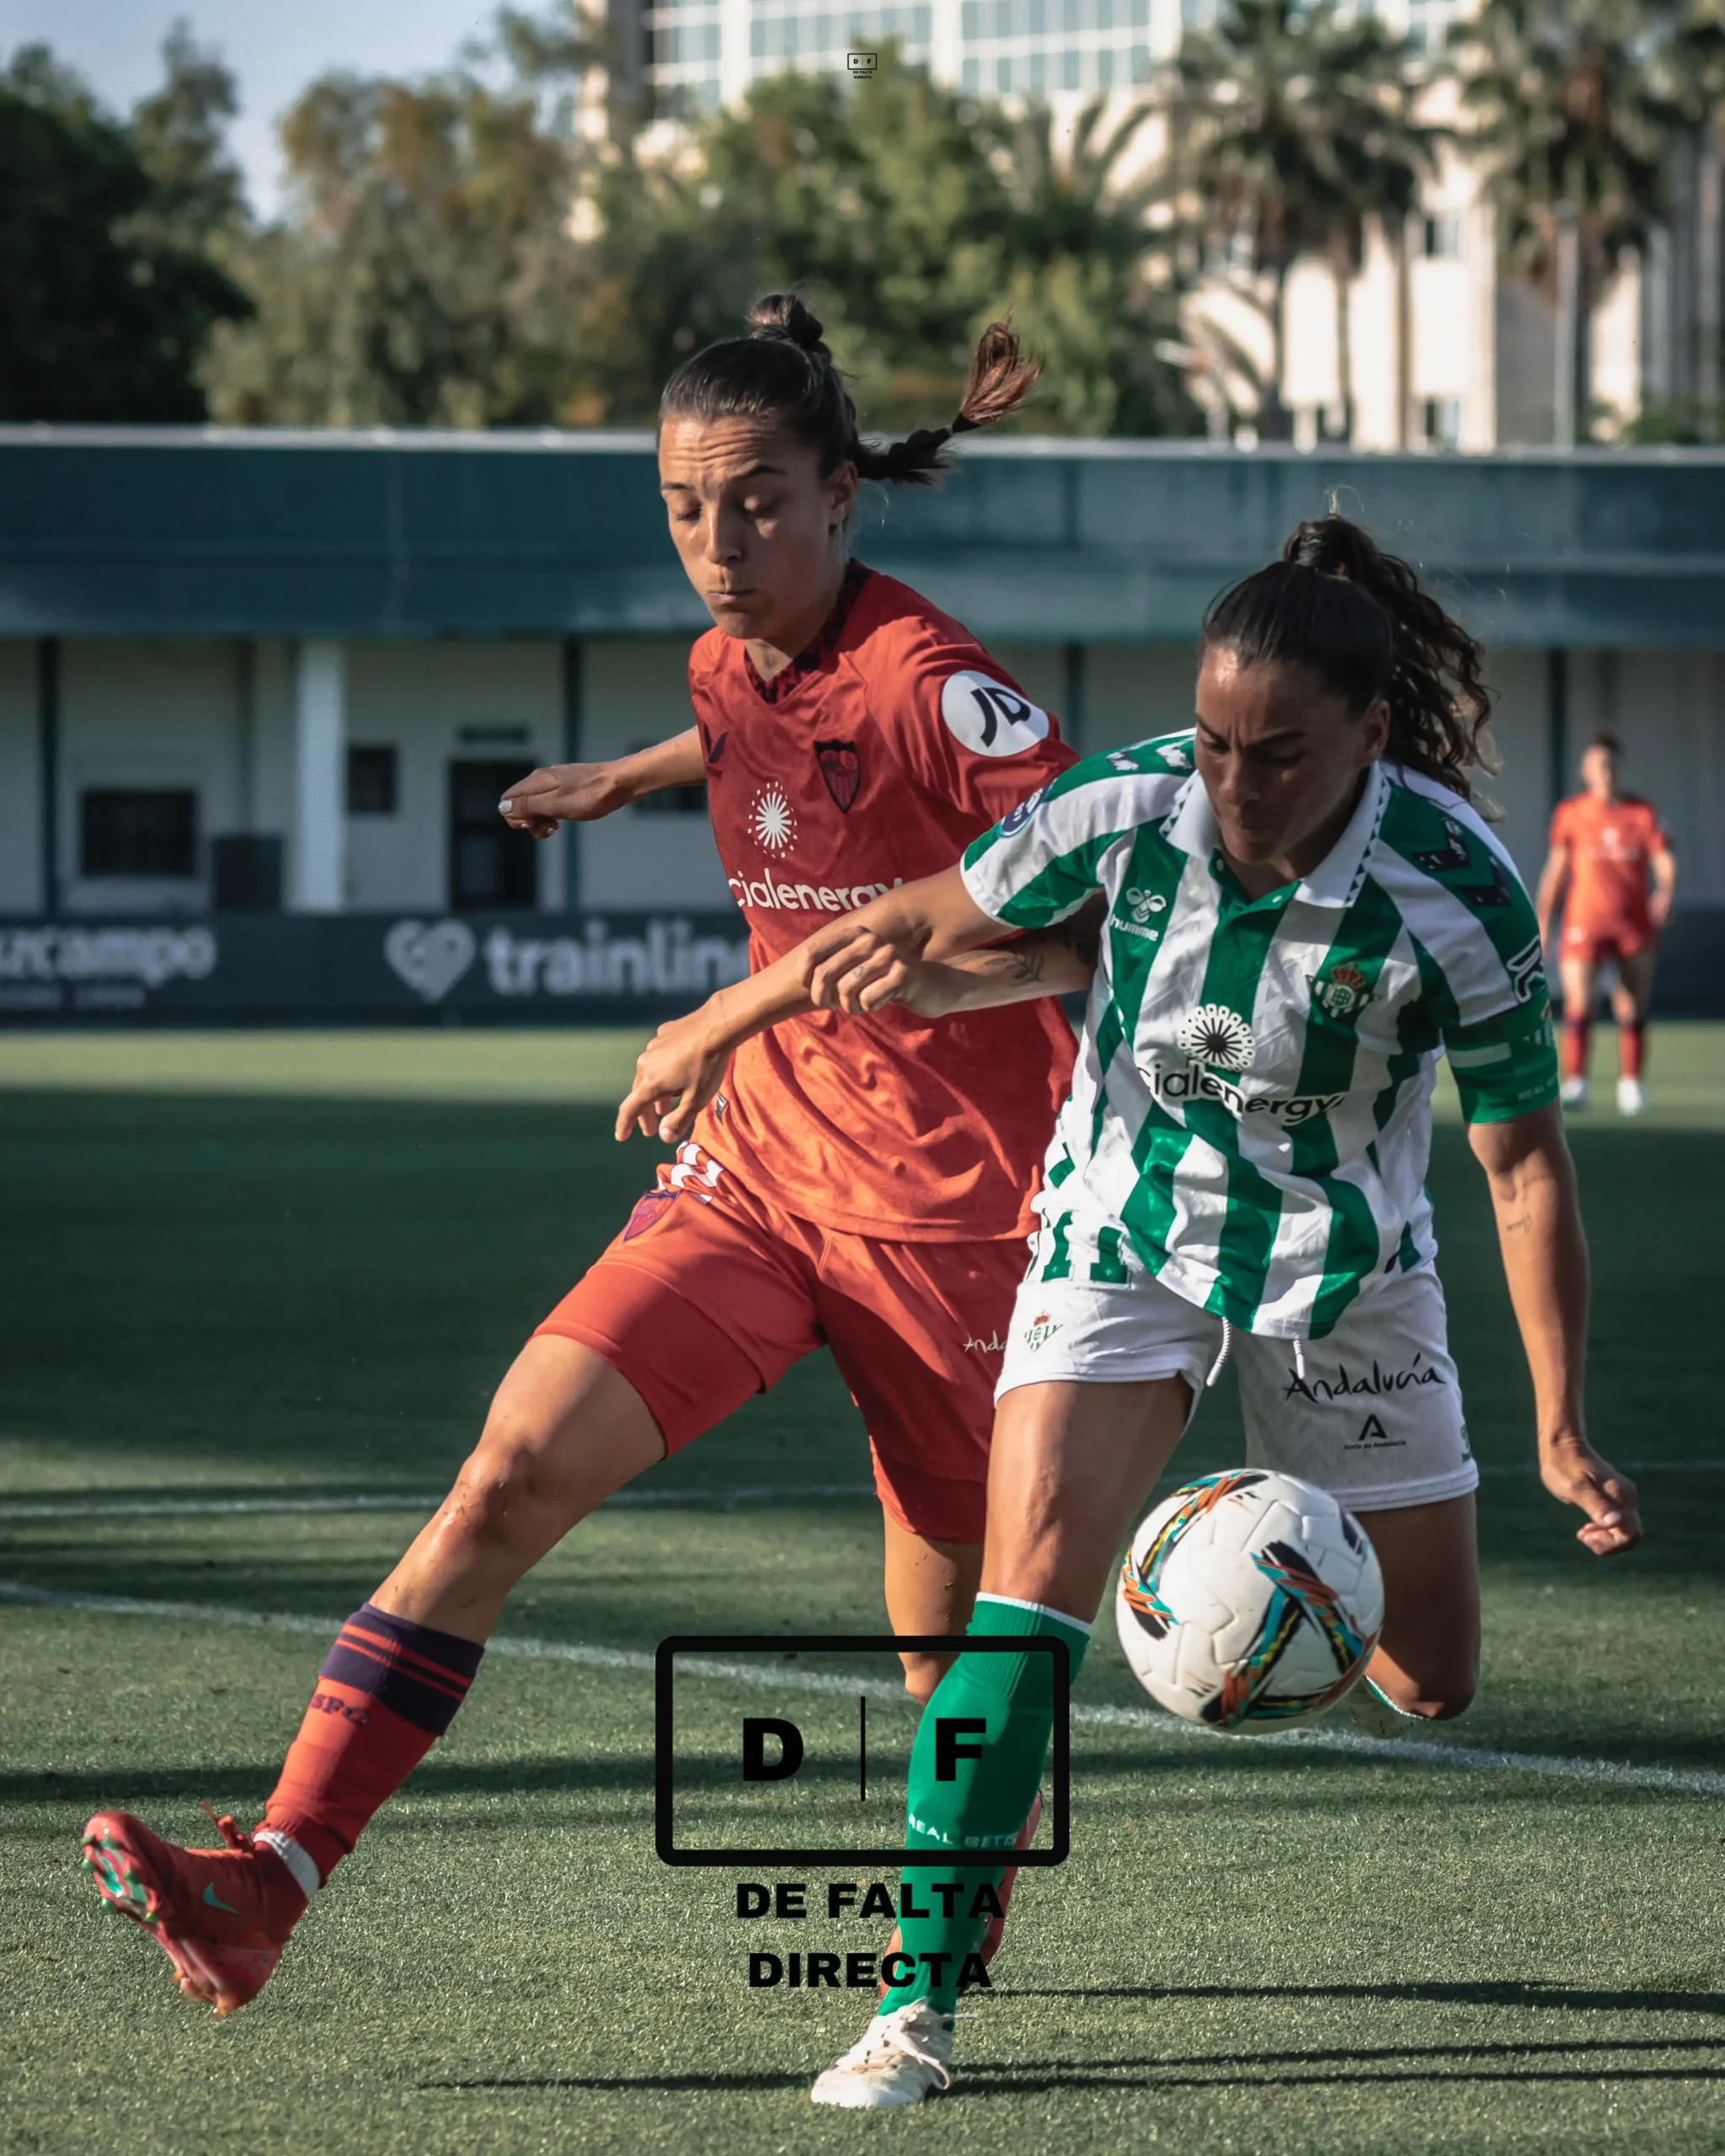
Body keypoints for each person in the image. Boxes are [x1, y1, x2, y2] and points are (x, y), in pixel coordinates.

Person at [79, 296, 1086, 2016]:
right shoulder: (721, 652)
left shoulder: (946, 686)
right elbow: (766, 726)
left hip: (961, 1222)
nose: (719, 542)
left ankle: (953, 1889)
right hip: (762, 1179)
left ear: (845, 493)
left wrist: (805, 983)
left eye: (759, 500)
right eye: (686, 505)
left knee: (948, 1661)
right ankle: (268, 1880)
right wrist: (630, 776)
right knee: (506, 1472)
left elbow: (1101, 906)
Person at [617, 515, 1643, 2107]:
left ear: (1369, 739)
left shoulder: (1459, 893)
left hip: (1348, 1275)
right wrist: (720, 1021)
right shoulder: (1128, 799)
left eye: (1280, 755)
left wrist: (1560, 1424)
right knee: (1021, 1602)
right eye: (1217, 741)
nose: (1234, 784)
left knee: (1433, 1680)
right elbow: (906, 927)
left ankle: (1276, 1562)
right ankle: (910, 2009)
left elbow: (1519, 1174)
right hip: (1122, 1235)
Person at [1535, 731, 1676, 1116]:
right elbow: (1556, 872)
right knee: (1580, 1001)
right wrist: (1543, 922)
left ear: (1619, 768)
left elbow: (1663, 858)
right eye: (1598, 765)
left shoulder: (1641, 813)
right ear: (1585, 769)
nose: (1605, 772)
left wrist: (1666, 888)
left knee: (1632, 1003)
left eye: (1610, 765)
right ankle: (1576, 1081)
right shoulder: (1572, 813)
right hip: (1585, 922)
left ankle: (1631, 1083)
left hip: (1633, 925)